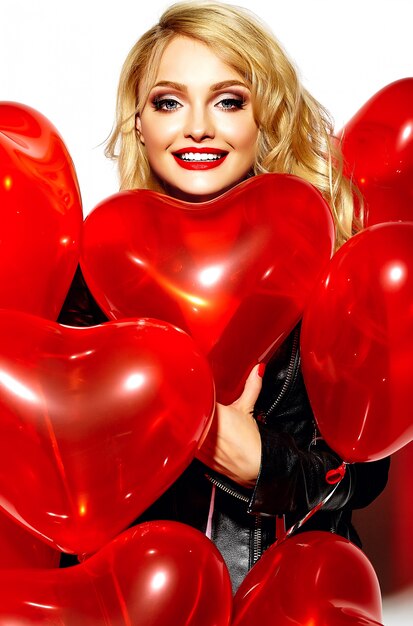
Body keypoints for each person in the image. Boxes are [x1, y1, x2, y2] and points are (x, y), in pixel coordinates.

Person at [59, 0, 390, 592]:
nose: (198, 127)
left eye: (228, 101)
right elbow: (62, 463)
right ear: (139, 123)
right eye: (168, 102)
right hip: (135, 597)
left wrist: (264, 463)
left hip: (281, 594)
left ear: (264, 118)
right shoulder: (91, 272)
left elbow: (365, 475)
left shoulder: (331, 263)